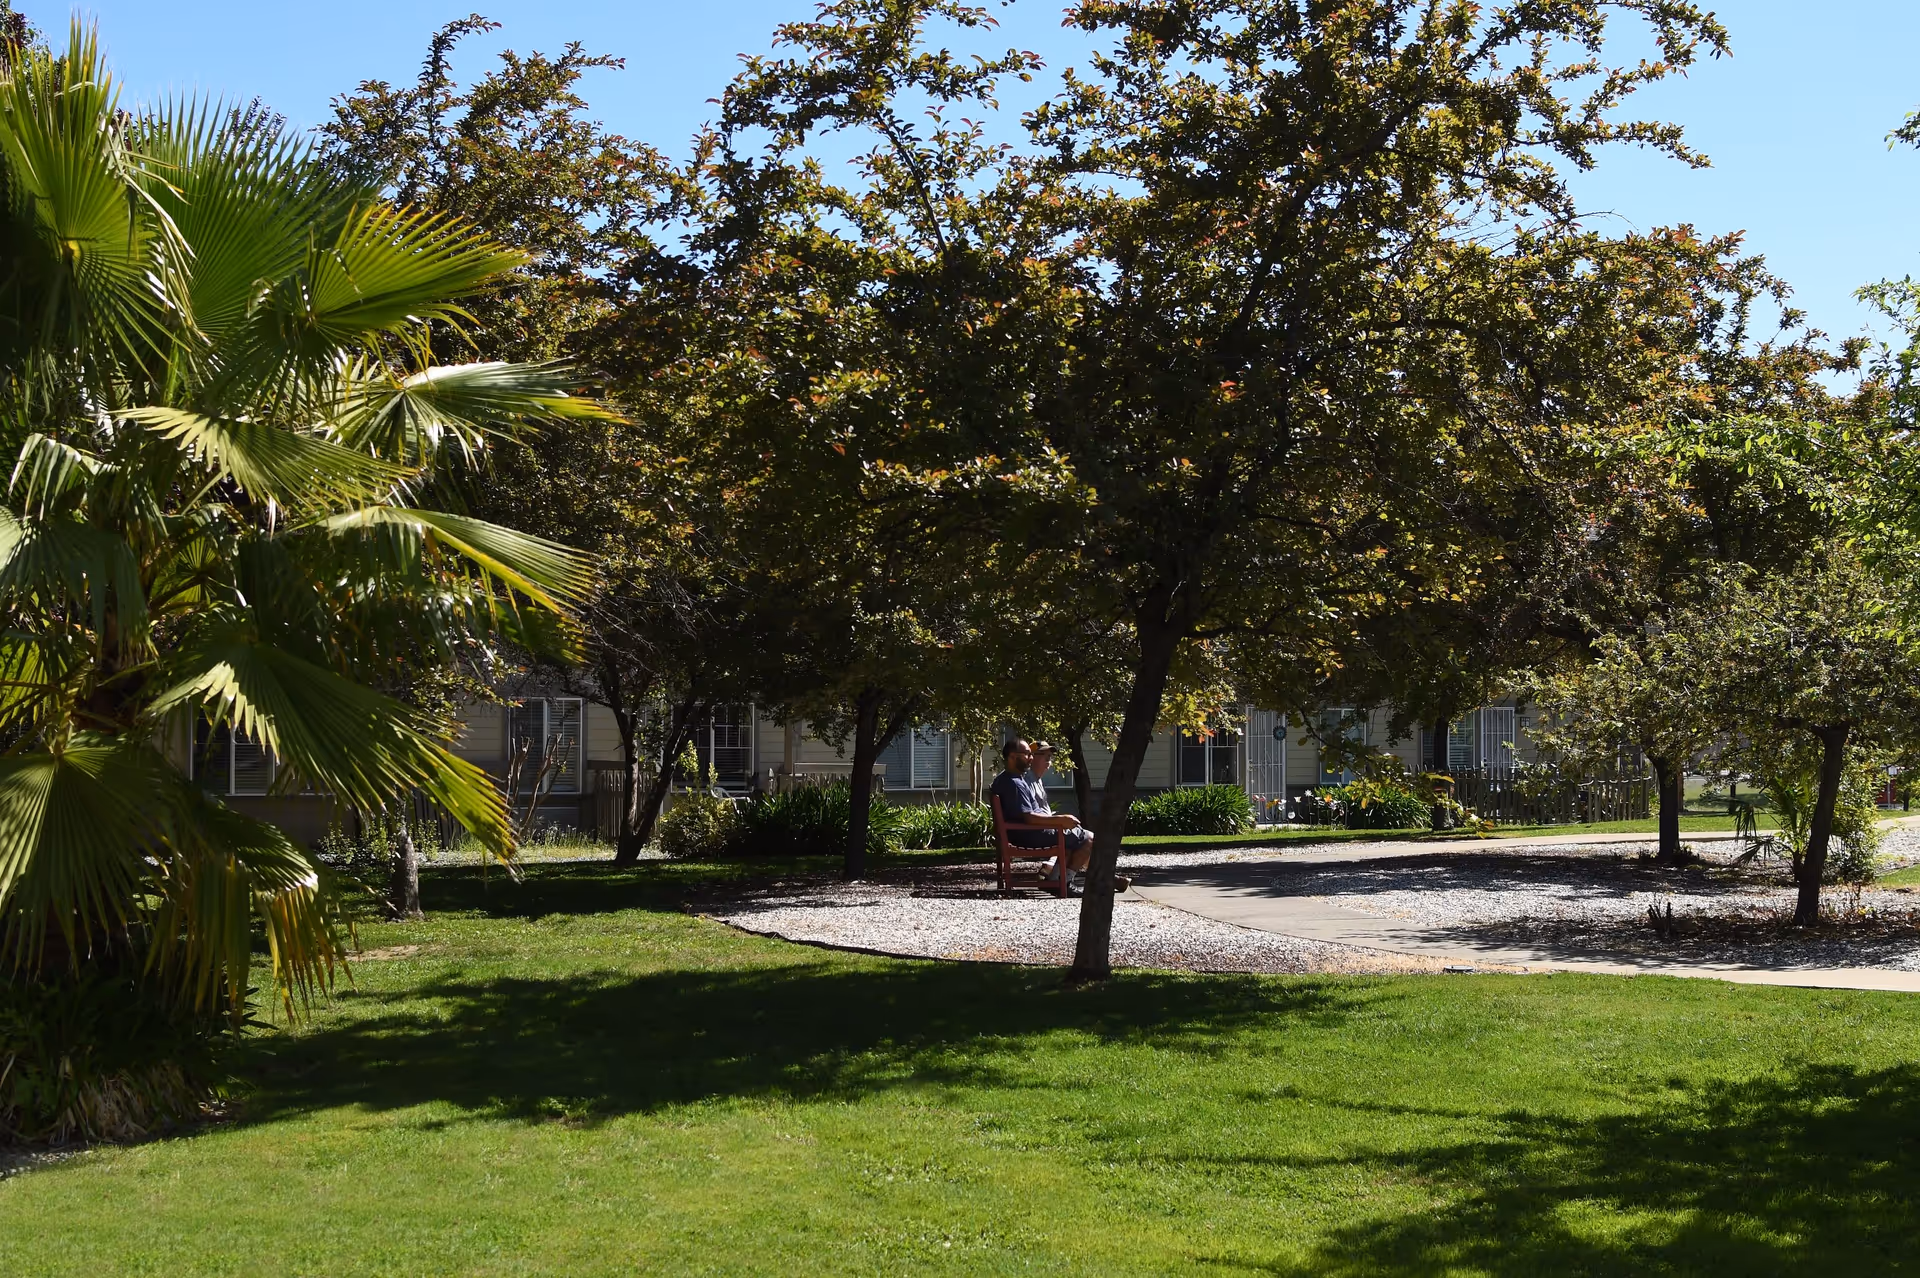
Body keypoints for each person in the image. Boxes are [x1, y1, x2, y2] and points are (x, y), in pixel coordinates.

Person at [988, 738, 1127, 894]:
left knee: (1079, 838)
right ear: (1013, 757)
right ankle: (1065, 883)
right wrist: (1060, 821)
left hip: (1025, 832)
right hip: (1029, 834)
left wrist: (1060, 822)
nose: (1031, 758)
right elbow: (1029, 818)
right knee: (1089, 839)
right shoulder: (1015, 783)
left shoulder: (1008, 779)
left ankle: (1059, 880)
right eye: (1027, 754)